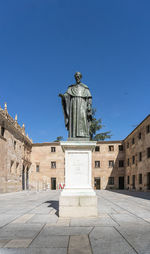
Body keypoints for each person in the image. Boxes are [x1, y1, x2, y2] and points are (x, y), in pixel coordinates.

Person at [59, 72, 92, 139]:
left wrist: (89, 105)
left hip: (82, 104)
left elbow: (89, 97)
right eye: (76, 76)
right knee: (73, 119)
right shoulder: (71, 88)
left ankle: (84, 135)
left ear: (81, 77)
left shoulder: (85, 88)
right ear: (75, 77)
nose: (78, 77)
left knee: (83, 118)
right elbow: (66, 95)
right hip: (73, 104)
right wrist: (63, 97)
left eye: (79, 76)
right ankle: (73, 135)